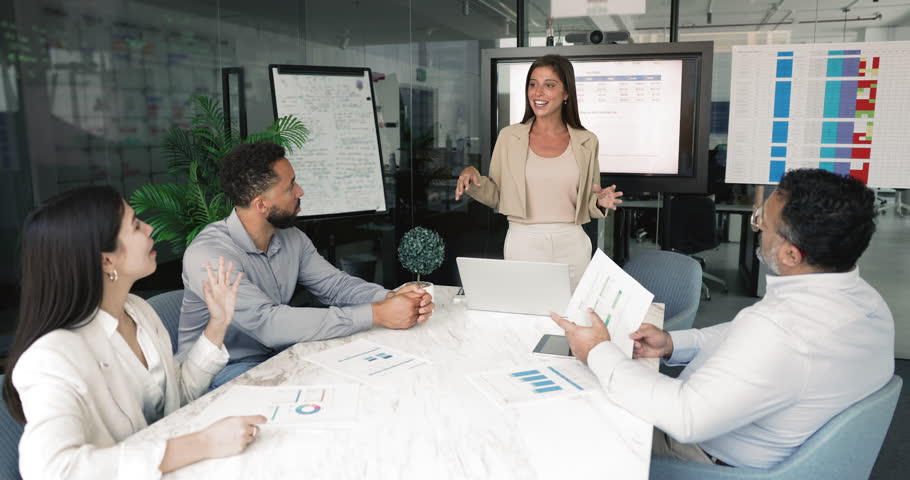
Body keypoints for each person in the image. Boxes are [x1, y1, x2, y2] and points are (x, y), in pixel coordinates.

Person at [551, 168, 894, 469]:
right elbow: (744, 335)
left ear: (791, 254)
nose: (757, 227)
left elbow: (685, 417)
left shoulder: (780, 330)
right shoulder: (867, 303)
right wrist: (675, 343)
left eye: (763, 223)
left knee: (568, 422)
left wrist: (597, 350)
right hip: (774, 441)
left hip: (705, 458)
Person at [3, 186, 266, 479]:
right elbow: (53, 470)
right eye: (135, 225)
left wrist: (218, 323)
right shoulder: (49, 357)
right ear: (106, 261)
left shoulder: (137, 310)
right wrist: (203, 443)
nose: (150, 227)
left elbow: (177, 397)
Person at [178, 142, 435, 388]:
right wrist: (378, 313)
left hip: (277, 357)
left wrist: (390, 297)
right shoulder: (209, 256)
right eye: (290, 186)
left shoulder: (291, 238)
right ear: (261, 204)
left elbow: (335, 286)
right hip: (220, 372)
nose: (300, 191)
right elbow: (270, 324)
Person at [454, 54, 623, 289]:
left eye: (549, 85)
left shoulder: (587, 141)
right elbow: (497, 195)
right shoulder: (509, 137)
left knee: (571, 318)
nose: (538, 92)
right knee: (525, 317)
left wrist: (600, 202)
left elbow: (588, 202)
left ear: (566, 94)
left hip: (572, 245)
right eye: (533, 84)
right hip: (523, 242)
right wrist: (473, 178)